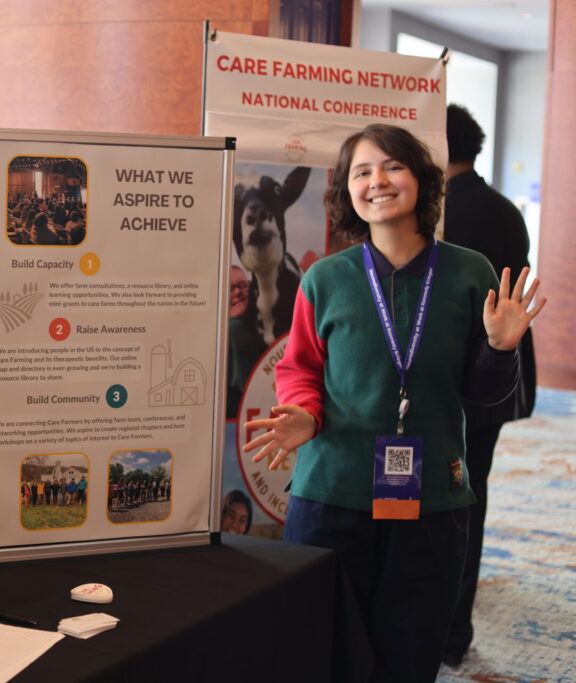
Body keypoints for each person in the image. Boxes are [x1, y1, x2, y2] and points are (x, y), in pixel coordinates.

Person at [244, 123, 545, 683]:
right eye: (362, 172)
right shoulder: (324, 279)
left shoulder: (468, 273)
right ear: (346, 190)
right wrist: (306, 413)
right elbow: (301, 366)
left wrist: (502, 350)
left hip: (431, 497)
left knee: (410, 651)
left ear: (422, 180)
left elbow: (481, 398)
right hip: (332, 491)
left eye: (392, 167)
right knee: (323, 646)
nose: (377, 181)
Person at [442, 104, 538, 666]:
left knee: (439, 506)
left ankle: (440, 626)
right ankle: (457, 632)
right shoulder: (506, 209)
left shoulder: (437, 214)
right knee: (472, 497)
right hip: (499, 379)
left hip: (449, 384)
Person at [226, 263, 266, 419]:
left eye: (242, 286)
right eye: (230, 289)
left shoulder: (262, 325)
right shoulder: (234, 329)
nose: (238, 293)